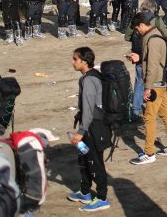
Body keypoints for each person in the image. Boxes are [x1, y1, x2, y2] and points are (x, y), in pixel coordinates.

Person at [67, 47, 112, 213]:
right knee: (84, 158)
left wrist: (81, 131)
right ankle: (85, 192)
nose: (72, 62)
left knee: (95, 162)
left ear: (84, 61)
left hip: (94, 127)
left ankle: (102, 197)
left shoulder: (89, 81)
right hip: (92, 125)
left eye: (75, 59)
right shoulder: (91, 76)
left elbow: (88, 110)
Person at [132, 12, 167, 165]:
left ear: (142, 25)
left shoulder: (152, 40)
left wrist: (147, 88)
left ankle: (149, 152)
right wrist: (139, 58)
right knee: (166, 114)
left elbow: (152, 66)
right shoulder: (157, 36)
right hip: (162, 83)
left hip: (155, 85)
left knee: (149, 118)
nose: (137, 32)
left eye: (137, 28)